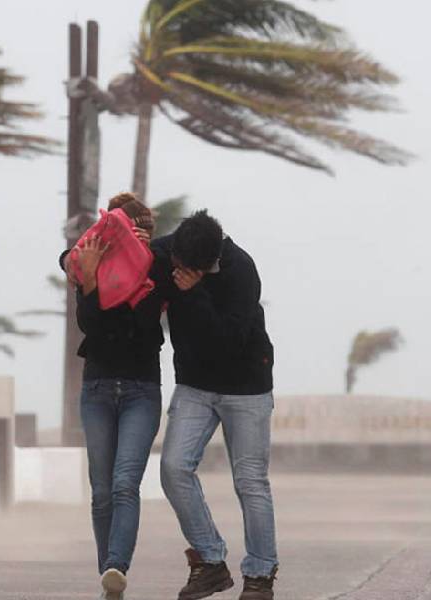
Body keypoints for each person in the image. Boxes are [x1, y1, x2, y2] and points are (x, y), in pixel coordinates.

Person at [152, 210, 279, 600]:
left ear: (208, 264)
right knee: (173, 468)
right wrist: (71, 258)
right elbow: (127, 256)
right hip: (194, 384)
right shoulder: (171, 250)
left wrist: (195, 293)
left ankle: (259, 575)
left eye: (188, 270)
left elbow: (229, 340)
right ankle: (210, 561)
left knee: (250, 481)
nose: (176, 270)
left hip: (246, 385)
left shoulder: (241, 269)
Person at [62, 192, 170, 600]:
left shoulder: (157, 271)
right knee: (101, 488)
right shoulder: (90, 265)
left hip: (142, 389)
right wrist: (90, 277)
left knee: (125, 482)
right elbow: (92, 325)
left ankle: (116, 566)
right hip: (98, 388)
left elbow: (144, 325)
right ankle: (109, 575)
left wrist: (142, 264)